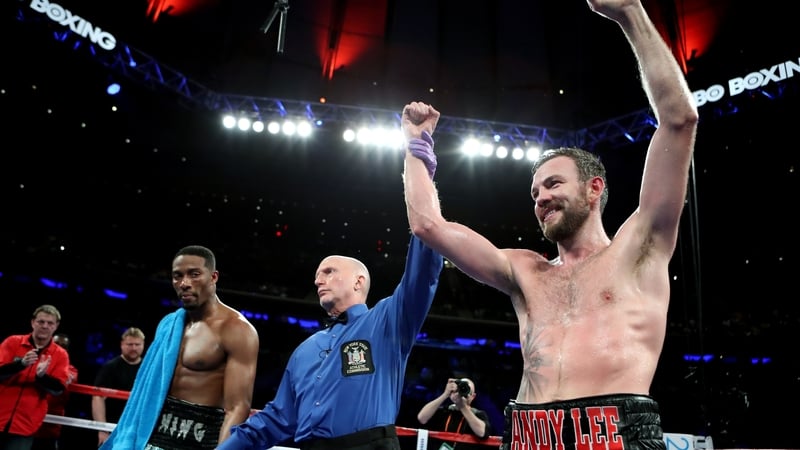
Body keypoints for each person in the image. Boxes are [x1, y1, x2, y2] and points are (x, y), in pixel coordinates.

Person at [401, 0, 699, 448]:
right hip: (528, 433)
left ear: (594, 189)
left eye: (553, 184)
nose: (540, 198)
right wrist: (416, 145)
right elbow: (428, 226)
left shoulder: (639, 247)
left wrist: (630, 12)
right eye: (534, 193)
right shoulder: (524, 270)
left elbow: (679, 119)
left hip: (615, 434)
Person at [217, 235, 444, 450]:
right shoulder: (304, 350)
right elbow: (277, 418)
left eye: (328, 272)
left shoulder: (386, 322)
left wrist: (424, 227)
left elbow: (421, 278)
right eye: (317, 275)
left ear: (358, 282)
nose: (318, 281)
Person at [99, 245, 260, 450]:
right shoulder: (169, 325)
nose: (184, 283)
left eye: (194, 274)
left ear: (213, 277)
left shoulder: (237, 330)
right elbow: (148, 390)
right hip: (153, 438)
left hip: (200, 441)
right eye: (177, 276)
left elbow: (237, 407)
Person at [0, 305, 71, 450]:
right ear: (33, 322)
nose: (45, 326)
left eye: (50, 323)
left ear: (56, 326)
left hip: (25, 424)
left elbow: (58, 389)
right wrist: (20, 364)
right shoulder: (13, 342)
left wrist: (41, 377)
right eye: (41, 322)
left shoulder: (60, 355)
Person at [92, 327, 146, 447]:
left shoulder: (148, 368)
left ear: (143, 345)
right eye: (130, 344)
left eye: (137, 344)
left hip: (139, 428)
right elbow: (98, 398)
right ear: (122, 344)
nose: (134, 348)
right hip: (114, 426)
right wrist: (103, 429)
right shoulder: (110, 367)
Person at [31, 333, 79, 450]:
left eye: (64, 346)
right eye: (57, 344)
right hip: (29, 418)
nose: (60, 348)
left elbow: (66, 380)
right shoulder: (36, 362)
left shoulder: (71, 370)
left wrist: (43, 375)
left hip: (51, 423)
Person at [416, 378, 492, 450]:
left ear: (473, 396)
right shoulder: (445, 411)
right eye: (459, 389)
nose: (461, 393)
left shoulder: (478, 414)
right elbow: (421, 418)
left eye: (466, 390)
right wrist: (445, 394)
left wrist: (462, 406)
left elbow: (482, 433)